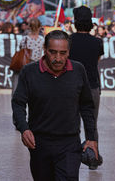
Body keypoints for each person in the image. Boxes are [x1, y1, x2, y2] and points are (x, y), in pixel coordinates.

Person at [12, 30, 98, 181]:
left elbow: (87, 105)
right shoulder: (29, 72)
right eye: (53, 52)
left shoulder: (78, 70)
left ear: (69, 52)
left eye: (63, 53)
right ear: (44, 49)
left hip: (69, 144)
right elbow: (18, 103)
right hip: (39, 144)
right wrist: (24, 128)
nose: (58, 58)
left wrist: (91, 137)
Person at [69, 5, 104, 170]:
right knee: (92, 123)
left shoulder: (68, 41)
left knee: (71, 123)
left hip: (71, 87)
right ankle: (93, 158)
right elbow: (95, 64)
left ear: (75, 21)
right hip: (92, 86)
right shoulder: (97, 42)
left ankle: (70, 157)